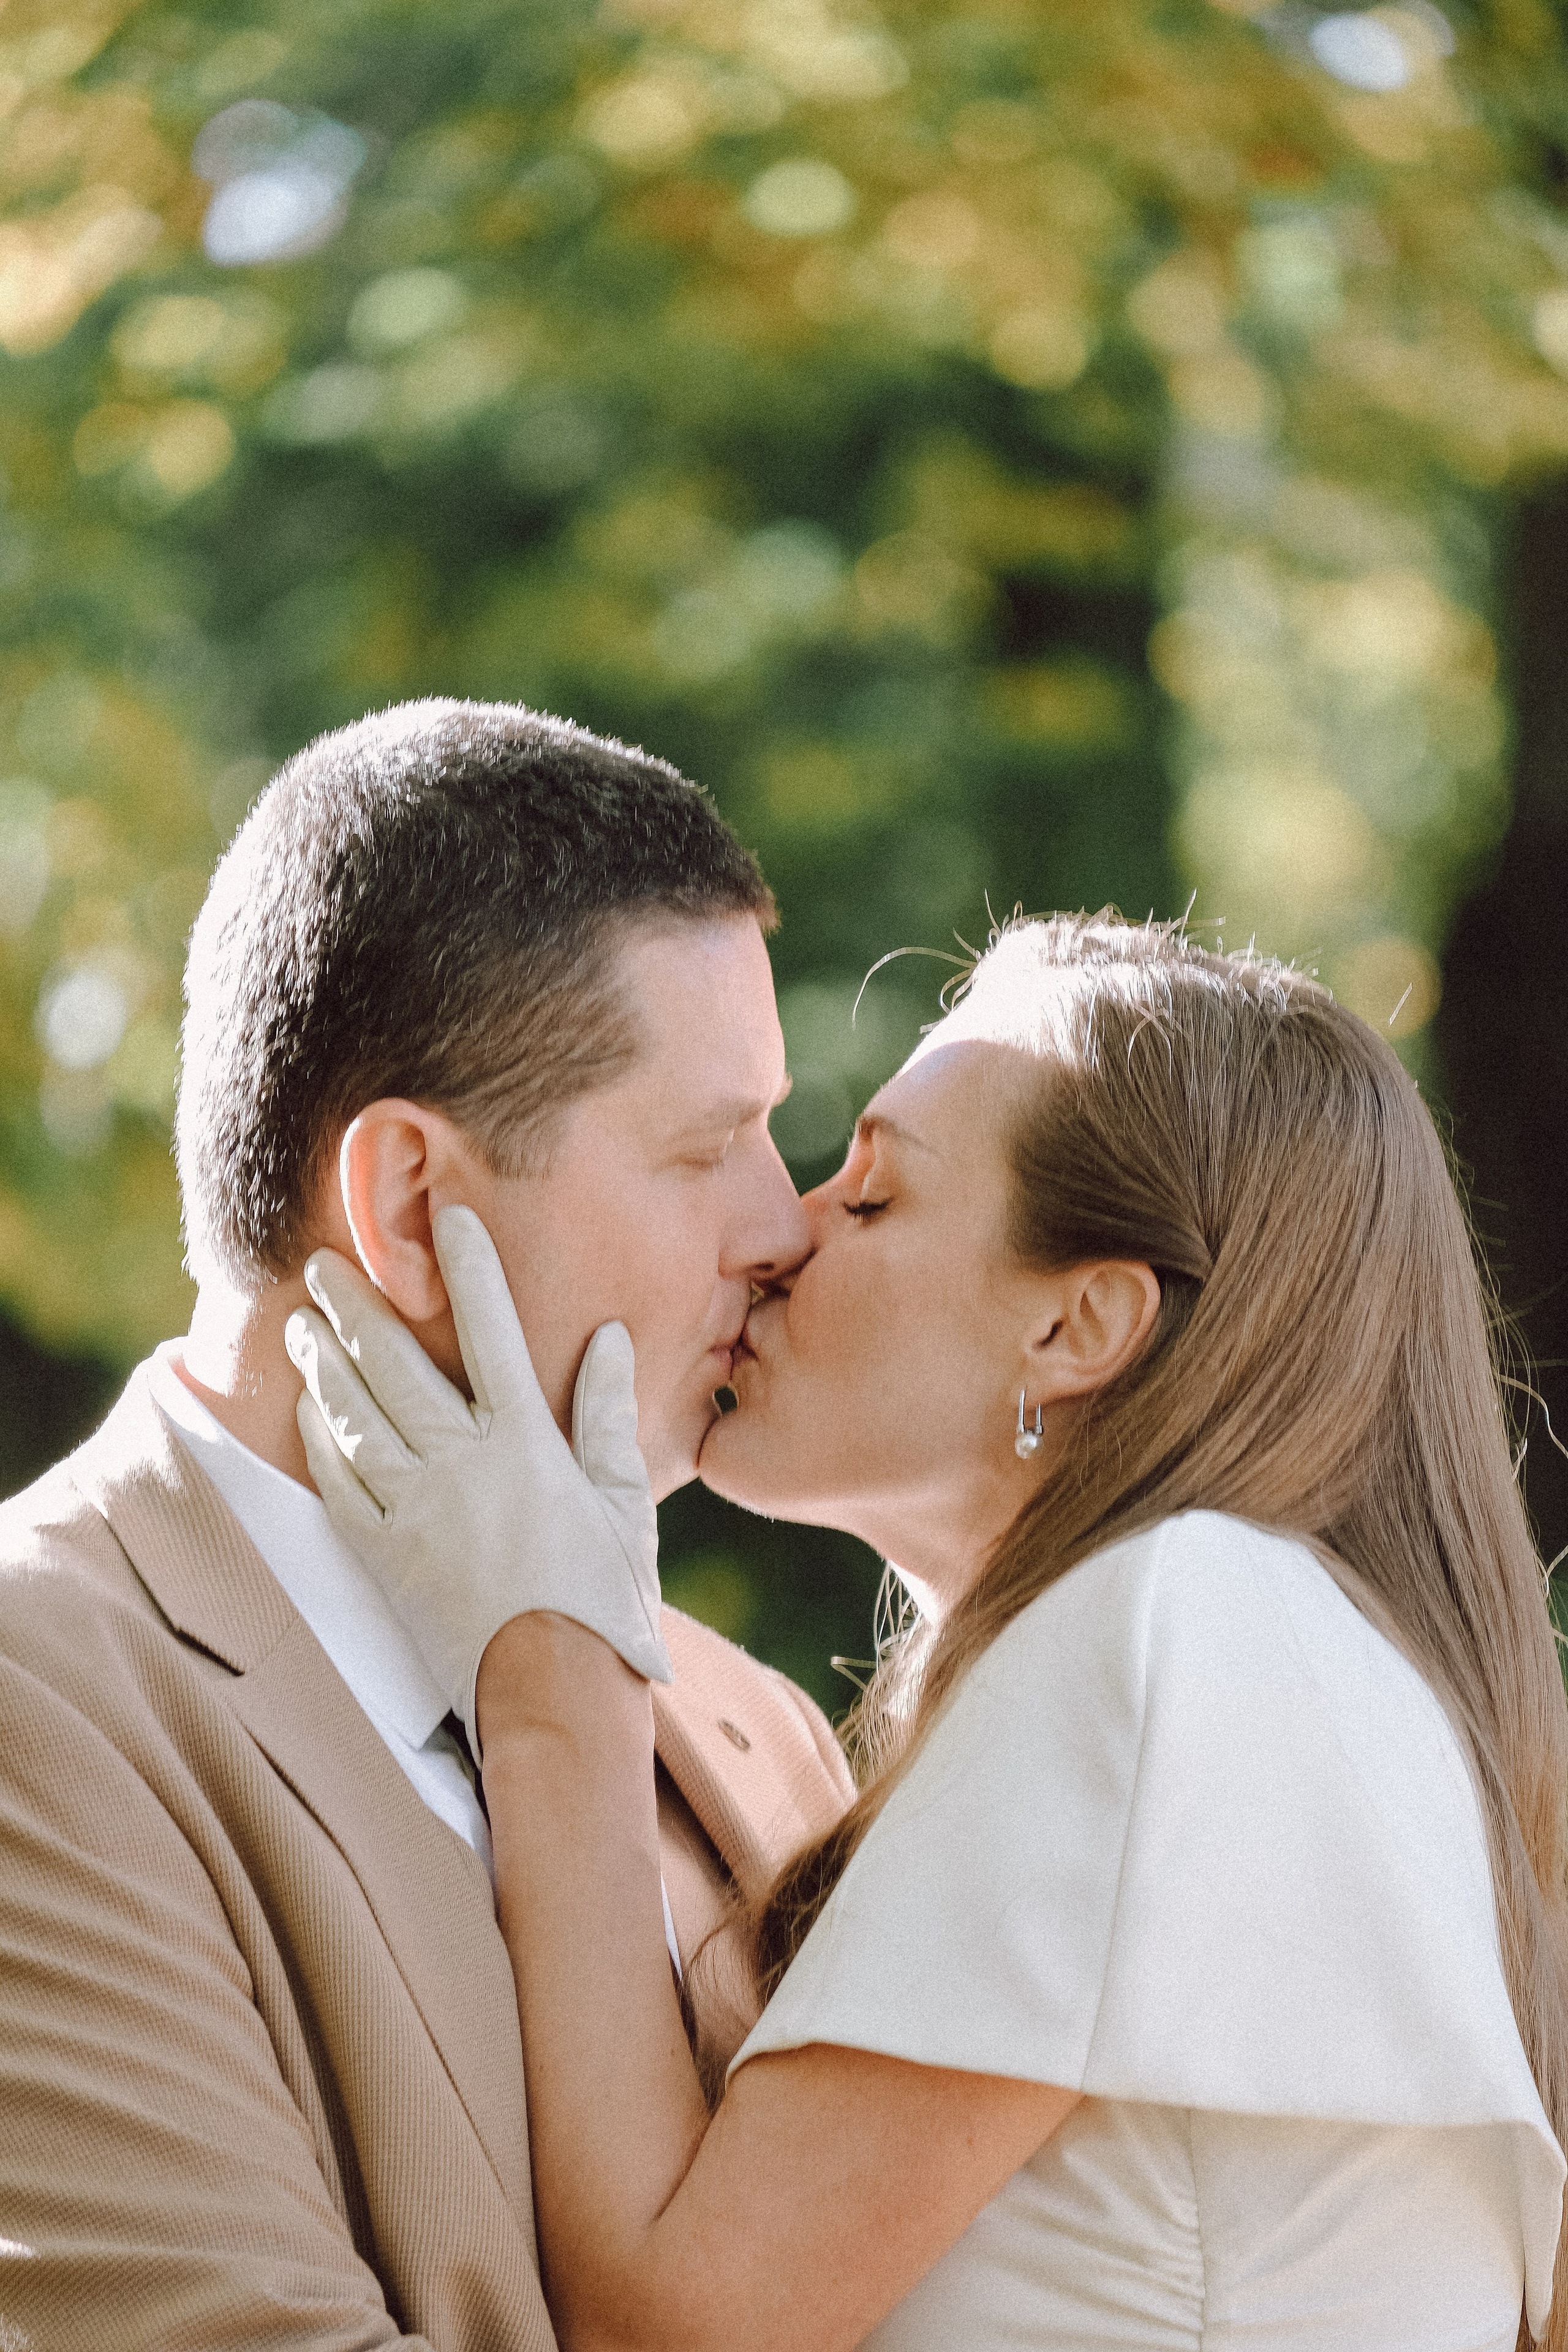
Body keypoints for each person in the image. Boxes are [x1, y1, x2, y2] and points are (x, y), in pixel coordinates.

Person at [295, 911, 1568, 2352]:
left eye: (873, 1195)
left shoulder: (1171, 1628)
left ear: (1076, 1326)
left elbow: (676, 2326)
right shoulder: (1276, 1647)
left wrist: (551, 1668)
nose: (782, 1233)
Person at [0, 699, 853, 2347]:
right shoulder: (45, 1710)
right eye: (709, 1147)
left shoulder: (746, 1715)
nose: (786, 1225)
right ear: (407, 1206)